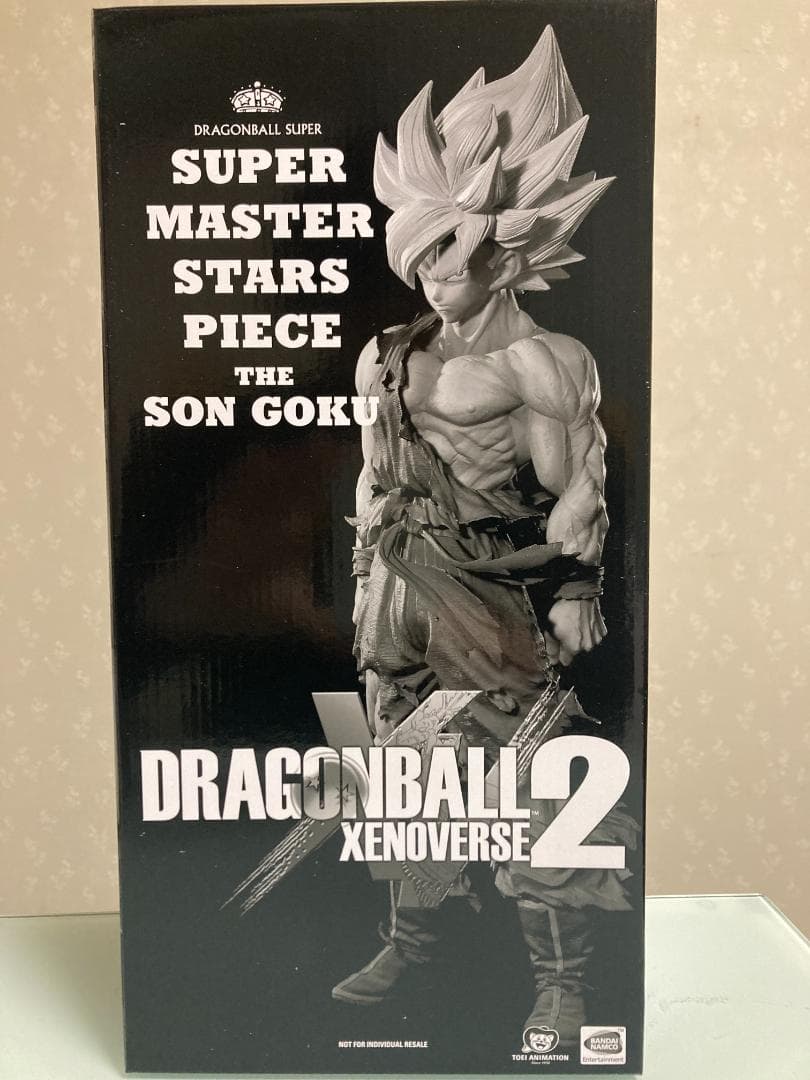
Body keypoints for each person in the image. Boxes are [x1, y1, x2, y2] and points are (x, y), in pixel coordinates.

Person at [332, 28, 637, 1048]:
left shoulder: (545, 363)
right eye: (421, 252)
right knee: (405, 775)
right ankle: (415, 943)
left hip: (492, 595)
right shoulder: (386, 354)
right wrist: (365, 579)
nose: (433, 274)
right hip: (399, 594)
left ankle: (561, 983)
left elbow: (580, 486)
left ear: (507, 250)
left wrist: (580, 586)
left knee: (535, 781)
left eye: (453, 251)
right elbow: (375, 478)